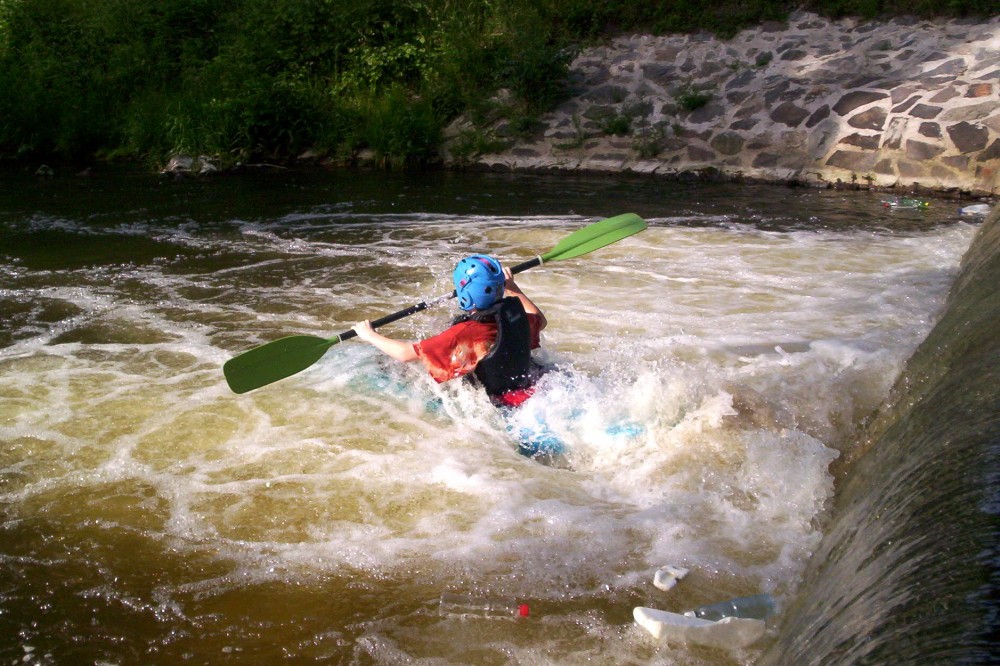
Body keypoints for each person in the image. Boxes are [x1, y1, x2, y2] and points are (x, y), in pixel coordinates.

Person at [352, 254, 547, 407]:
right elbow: (540, 319)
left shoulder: (466, 333)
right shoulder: (514, 316)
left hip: (503, 404)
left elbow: (404, 354)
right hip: (533, 385)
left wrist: (370, 335)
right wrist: (512, 287)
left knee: (398, 370)